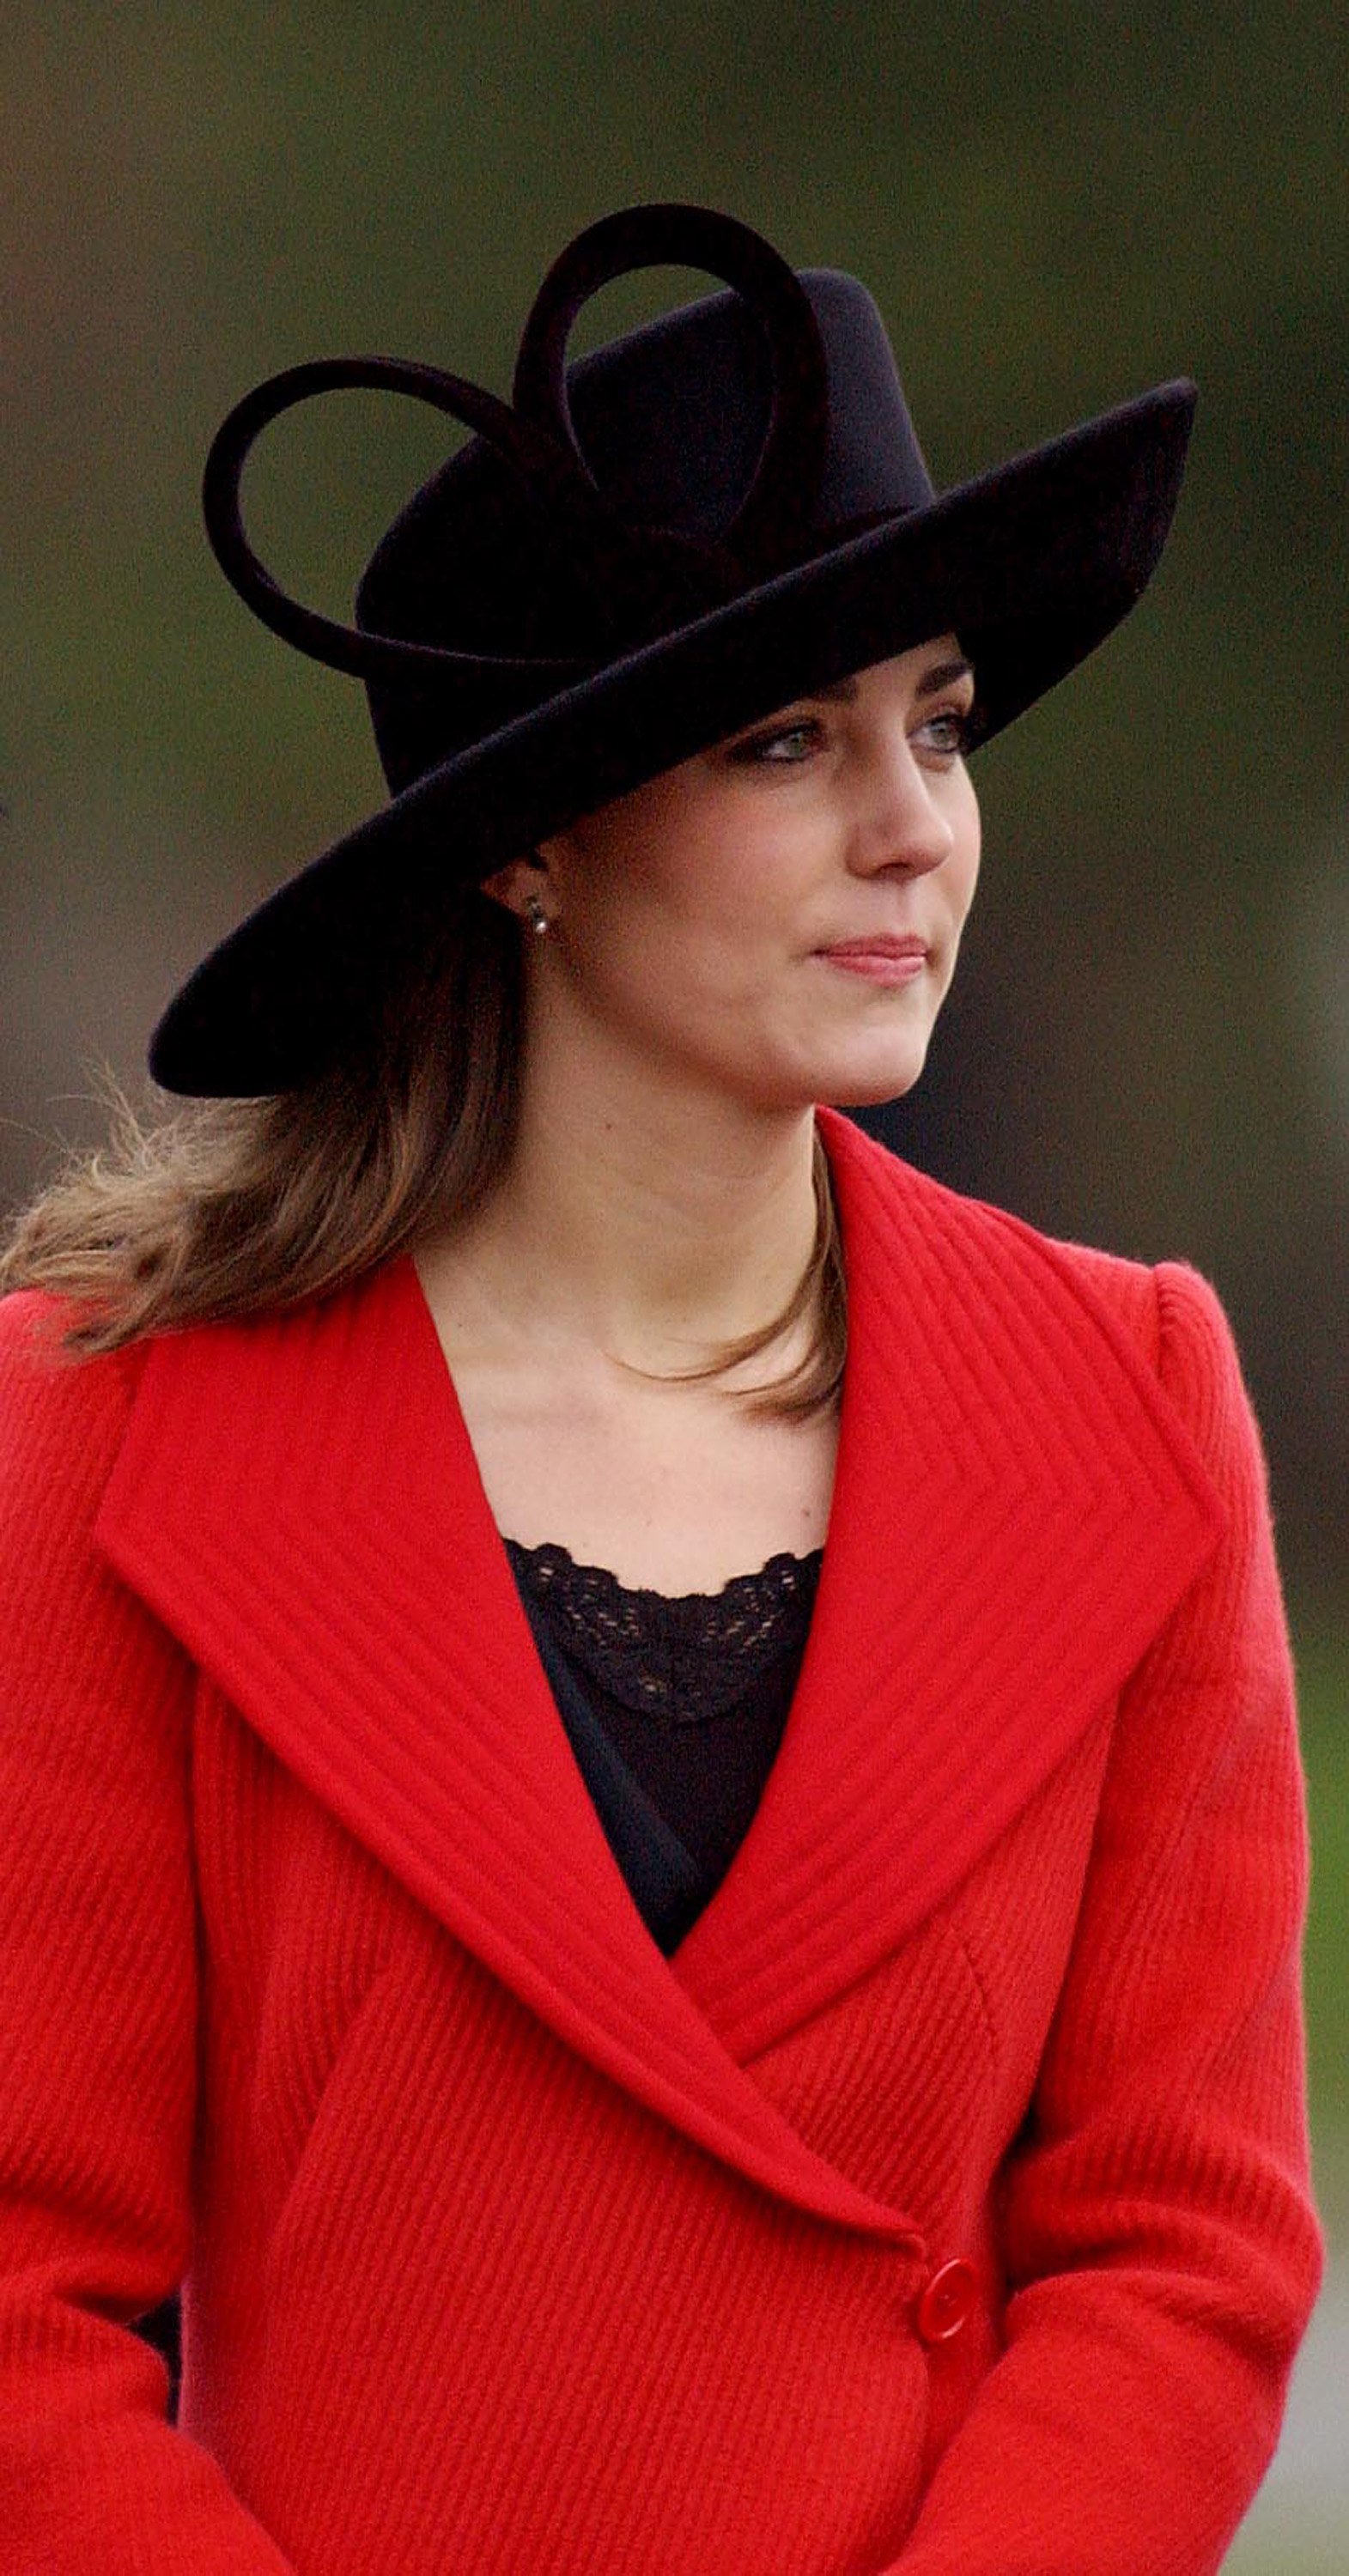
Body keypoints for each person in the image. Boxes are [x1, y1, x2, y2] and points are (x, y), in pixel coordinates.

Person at [0, 201, 1322, 2574]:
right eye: (785, 740)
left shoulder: (1128, 1400)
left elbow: (1179, 2245)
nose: (912, 824)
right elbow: (18, 2301)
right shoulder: (102, 1432)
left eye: (937, 723)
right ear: (533, 840)